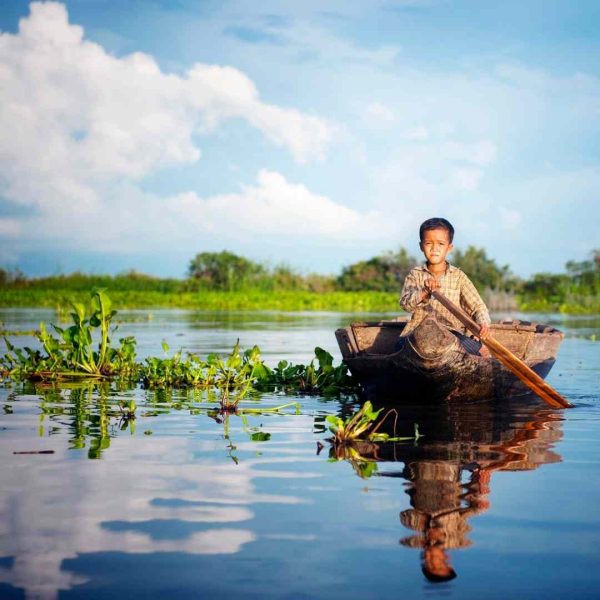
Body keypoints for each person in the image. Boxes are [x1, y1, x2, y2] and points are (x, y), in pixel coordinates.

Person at [399, 217, 490, 349]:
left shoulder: (458, 277)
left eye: (440, 244)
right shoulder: (415, 275)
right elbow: (405, 305)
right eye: (429, 243)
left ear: (449, 247)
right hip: (416, 332)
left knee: (474, 348)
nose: (434, 248)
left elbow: (478, 307)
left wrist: (483, 324)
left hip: (452, 333)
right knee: (399, 346)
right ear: (421, 246)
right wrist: (424, 292)